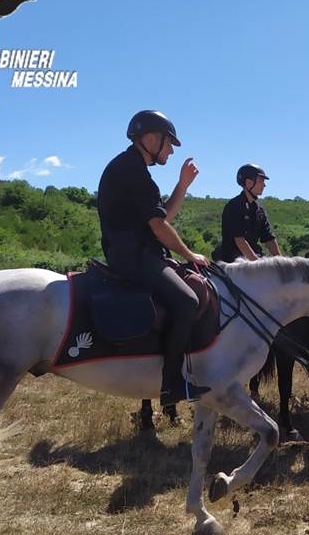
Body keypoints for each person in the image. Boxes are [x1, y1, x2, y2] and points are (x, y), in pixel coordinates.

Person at [97, 109, 210, 405]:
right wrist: (188, 254)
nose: (171, 150)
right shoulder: (131, 170)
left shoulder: (135, 169)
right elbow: (159, 227)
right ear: (149, 138)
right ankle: (171, 384)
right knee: (187, 301)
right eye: (168, 142)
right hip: (133, 255)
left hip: (140, 252)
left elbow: (163, 217)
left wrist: (182, 185)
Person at [215, 163, 281, 262]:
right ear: (249, 183)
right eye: (261, 181)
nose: (264, 185)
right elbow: (239, 240)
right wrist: (256, 263)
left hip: (253, 257)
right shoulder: (234, 206)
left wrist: (281, 262)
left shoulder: (259, 210)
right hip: (232, 261)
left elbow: (269, 238)